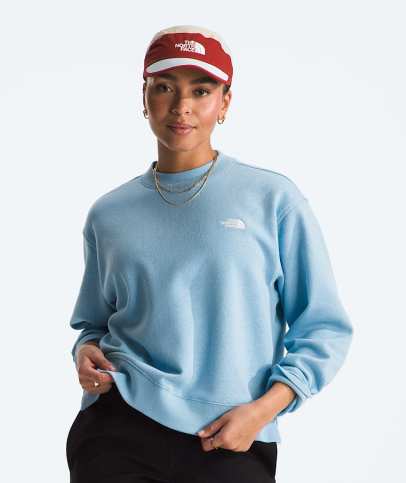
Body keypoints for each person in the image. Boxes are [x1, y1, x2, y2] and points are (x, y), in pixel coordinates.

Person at [66, 24, 354, 483]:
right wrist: (85, 352)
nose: (182, 106)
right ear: (144, 98)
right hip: (116, 428)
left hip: (230, 433)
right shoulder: (109, 213)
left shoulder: (273, 200)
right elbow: (94, 325)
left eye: (201, 91)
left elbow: (323, 328)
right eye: (165, 87)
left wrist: (263, 411)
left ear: (225, 103)